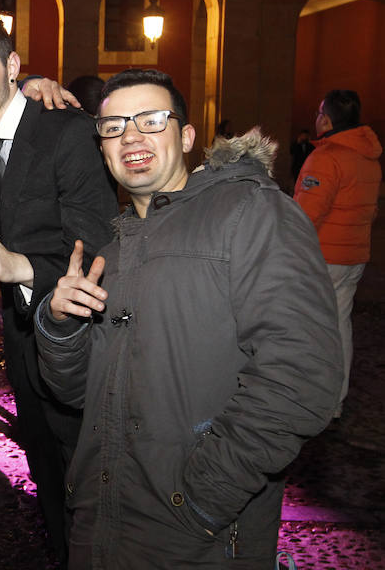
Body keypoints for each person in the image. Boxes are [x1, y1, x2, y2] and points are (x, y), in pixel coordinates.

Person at [35, 68, 342, 567]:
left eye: (151, 120)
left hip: (199, 538)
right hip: (103, 527)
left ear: (187, 135)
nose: (130, 134)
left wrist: (203, 496)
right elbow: (76, 394)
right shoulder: (111, 252)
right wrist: (61, 324)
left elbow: (301, 377)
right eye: (113, 126)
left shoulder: (251, 213)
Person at [0, 5, 118, 566]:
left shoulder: (67, 132)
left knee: (94, 478)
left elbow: (101, 250)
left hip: (84, 336)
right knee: (49, 481)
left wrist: (19, 267)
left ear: (12, 66)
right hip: (20, 336)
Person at [294, 89, 382, 418]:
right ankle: (335, 400)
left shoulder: (327, 157)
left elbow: (306, 215)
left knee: (311, 328)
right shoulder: (367, 156)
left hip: (323, 257)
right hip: (355, 255)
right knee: (340, 324)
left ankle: (310, 399)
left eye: (319, 113)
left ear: (326, 119)